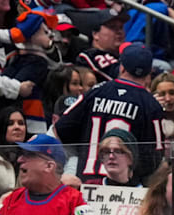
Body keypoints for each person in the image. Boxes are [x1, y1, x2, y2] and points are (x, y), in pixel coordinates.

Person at [53, 43, 164, 184]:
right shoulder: (151, 104)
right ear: (149, 73)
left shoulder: (95, 92)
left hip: (87, 181)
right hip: (125, 189)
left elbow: (61, 129)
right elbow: (155, 156)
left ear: (122, 67)